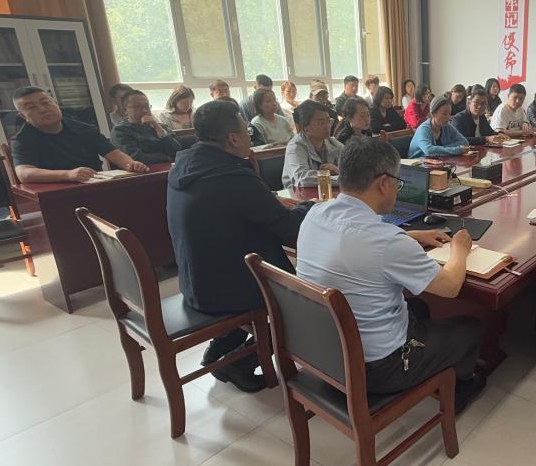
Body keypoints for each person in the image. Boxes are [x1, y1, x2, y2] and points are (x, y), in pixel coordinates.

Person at [295, 137, 485, 406]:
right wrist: (459, 249)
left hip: (324, 353)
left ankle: (429, 358)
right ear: (384, 183)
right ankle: (459, 390)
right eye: (398, 182)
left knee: (418, 307)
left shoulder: (315, 214)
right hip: (378, 370)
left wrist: (409, 236)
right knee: (470, 328)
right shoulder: (387, 242)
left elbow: (359, 240)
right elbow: (450, 286)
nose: (397, 188)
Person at [167, 100, 313, 392]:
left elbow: (232, 213)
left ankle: (221, 347)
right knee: (307, 302)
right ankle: (240, 361)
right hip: (226, 290)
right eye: (246, 130)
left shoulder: (184, 165)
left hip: (196, 279)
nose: (249, 136)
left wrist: (271, 203)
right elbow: (290, 231)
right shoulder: (231, 176)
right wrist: (309, 207)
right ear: (233, 138)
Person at [11, 86, 148, 183]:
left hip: (94, 187)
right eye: (31, 107)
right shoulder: (22, 139)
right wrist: (68, 175)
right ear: (23, 116)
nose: (42, 109)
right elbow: (24, 173)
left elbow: (114, 154)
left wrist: (131, 164)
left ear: (56, 103)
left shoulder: (84, 129)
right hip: (55, 194)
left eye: (46, 103)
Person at [110, 90, 183, 164]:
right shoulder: (120, 131)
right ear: (125, 110)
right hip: (146, 169)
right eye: (137, 106)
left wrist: (159, 129)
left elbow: (178, 151)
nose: (144, 110)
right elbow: (135, 158)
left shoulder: (160, 126)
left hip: (172, 167)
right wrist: (167, 157)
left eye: (147, 106)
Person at [282, 100, 343, 187]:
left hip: (328, 190)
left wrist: (337, 170)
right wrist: (340, 179)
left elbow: (353, 165)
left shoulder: (332, 142)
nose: (327, 126)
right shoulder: (295, 146)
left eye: (328, 121)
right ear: (306, 128)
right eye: (321, 123)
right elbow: (302, 178)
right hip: (299, 193)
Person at [409, 95, 473, 158]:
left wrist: (441, 149)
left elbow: (464, 142)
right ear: (433, 113)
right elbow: (429, 150)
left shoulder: (447, 126)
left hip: (437, 160)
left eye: (449, 114)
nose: (448, 118)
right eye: (444, 114)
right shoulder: (423, 129)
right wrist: (456, 150)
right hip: (417, 162)